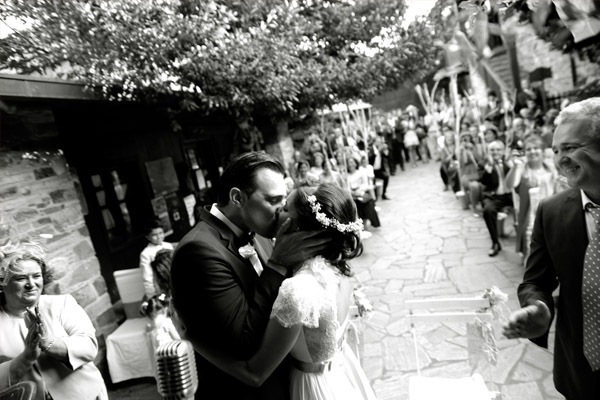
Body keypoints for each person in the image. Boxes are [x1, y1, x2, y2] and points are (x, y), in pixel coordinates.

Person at [188, 183, 377, 400]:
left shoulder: (299, 290)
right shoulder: (339, 269)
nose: (277, 211)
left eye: (285, 208)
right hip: (340, 378)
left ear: (297, 228)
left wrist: (192, 338)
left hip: (314, 390)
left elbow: (255, 374)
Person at [170, 152, 330, 400]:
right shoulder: (198, 251)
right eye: (273, 200)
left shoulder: (260, 230)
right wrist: (276, 264)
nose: (281, 210)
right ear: (237, 197)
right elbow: (243, 343)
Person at [502, 97, 600, 399]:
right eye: (556, 150)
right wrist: (539, 307)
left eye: (570, 148)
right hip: (580, 374)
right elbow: (536, 281)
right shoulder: (551, 211)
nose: (560, 160)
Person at [0, 241, 107, 400]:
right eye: (21, 278)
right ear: (2, 283)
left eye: (36, 276)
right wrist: (27, 357)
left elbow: (89, 346)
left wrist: (49, 342)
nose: (32, 284)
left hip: (85, 395)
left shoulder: (62, 304)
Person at [504, 135, 559, 264]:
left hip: (550, 214)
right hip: (529, 216)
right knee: (530, 246)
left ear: (542, 150)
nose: (532, 151)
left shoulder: (551, 168)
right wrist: (515, 167)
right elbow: (510, 185)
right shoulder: (522, 169)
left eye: (536, 148)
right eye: (528, 149)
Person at [479, 140, 513, 257]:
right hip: (494, 196)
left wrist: (512, 166)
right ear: (488, 152)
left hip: (510, 195)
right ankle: (495, 243)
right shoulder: (484, 163)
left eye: (498, 149)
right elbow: (483, 181)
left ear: (503, 151)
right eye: (492, 150)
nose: (495, 152)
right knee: (488, 211)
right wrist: (487, 171)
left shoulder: (508, 162)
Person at [139, 220, 174, 299]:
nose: (159, 237)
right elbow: (147, 277)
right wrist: (152, 297)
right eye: (154, 235)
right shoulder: (146, 254)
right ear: (147, 237)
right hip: (160, 287)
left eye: (161, 233)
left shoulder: (168, 246)